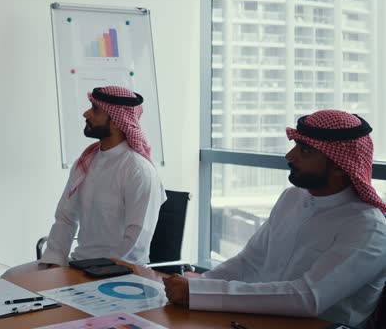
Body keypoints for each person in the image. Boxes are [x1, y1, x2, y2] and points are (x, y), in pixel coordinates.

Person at [164, 110, 386, 327]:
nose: (290, 156)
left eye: (305, 150)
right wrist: (197, 285)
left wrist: (198, 294)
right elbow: (249, 262)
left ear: (340, 167)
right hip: (256, 319)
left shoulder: (368, 228)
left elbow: (307, 298)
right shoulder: (292, 197)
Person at [12, 86, 165, 274]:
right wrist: (55, 264)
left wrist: (103, 272)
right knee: (10, 277)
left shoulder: (138, 170)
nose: (86, 114)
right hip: (80, 265)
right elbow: (65, 218)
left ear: (117, 121)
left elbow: (137, 241)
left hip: (119, 273)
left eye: (95, 109)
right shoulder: (86, 161)